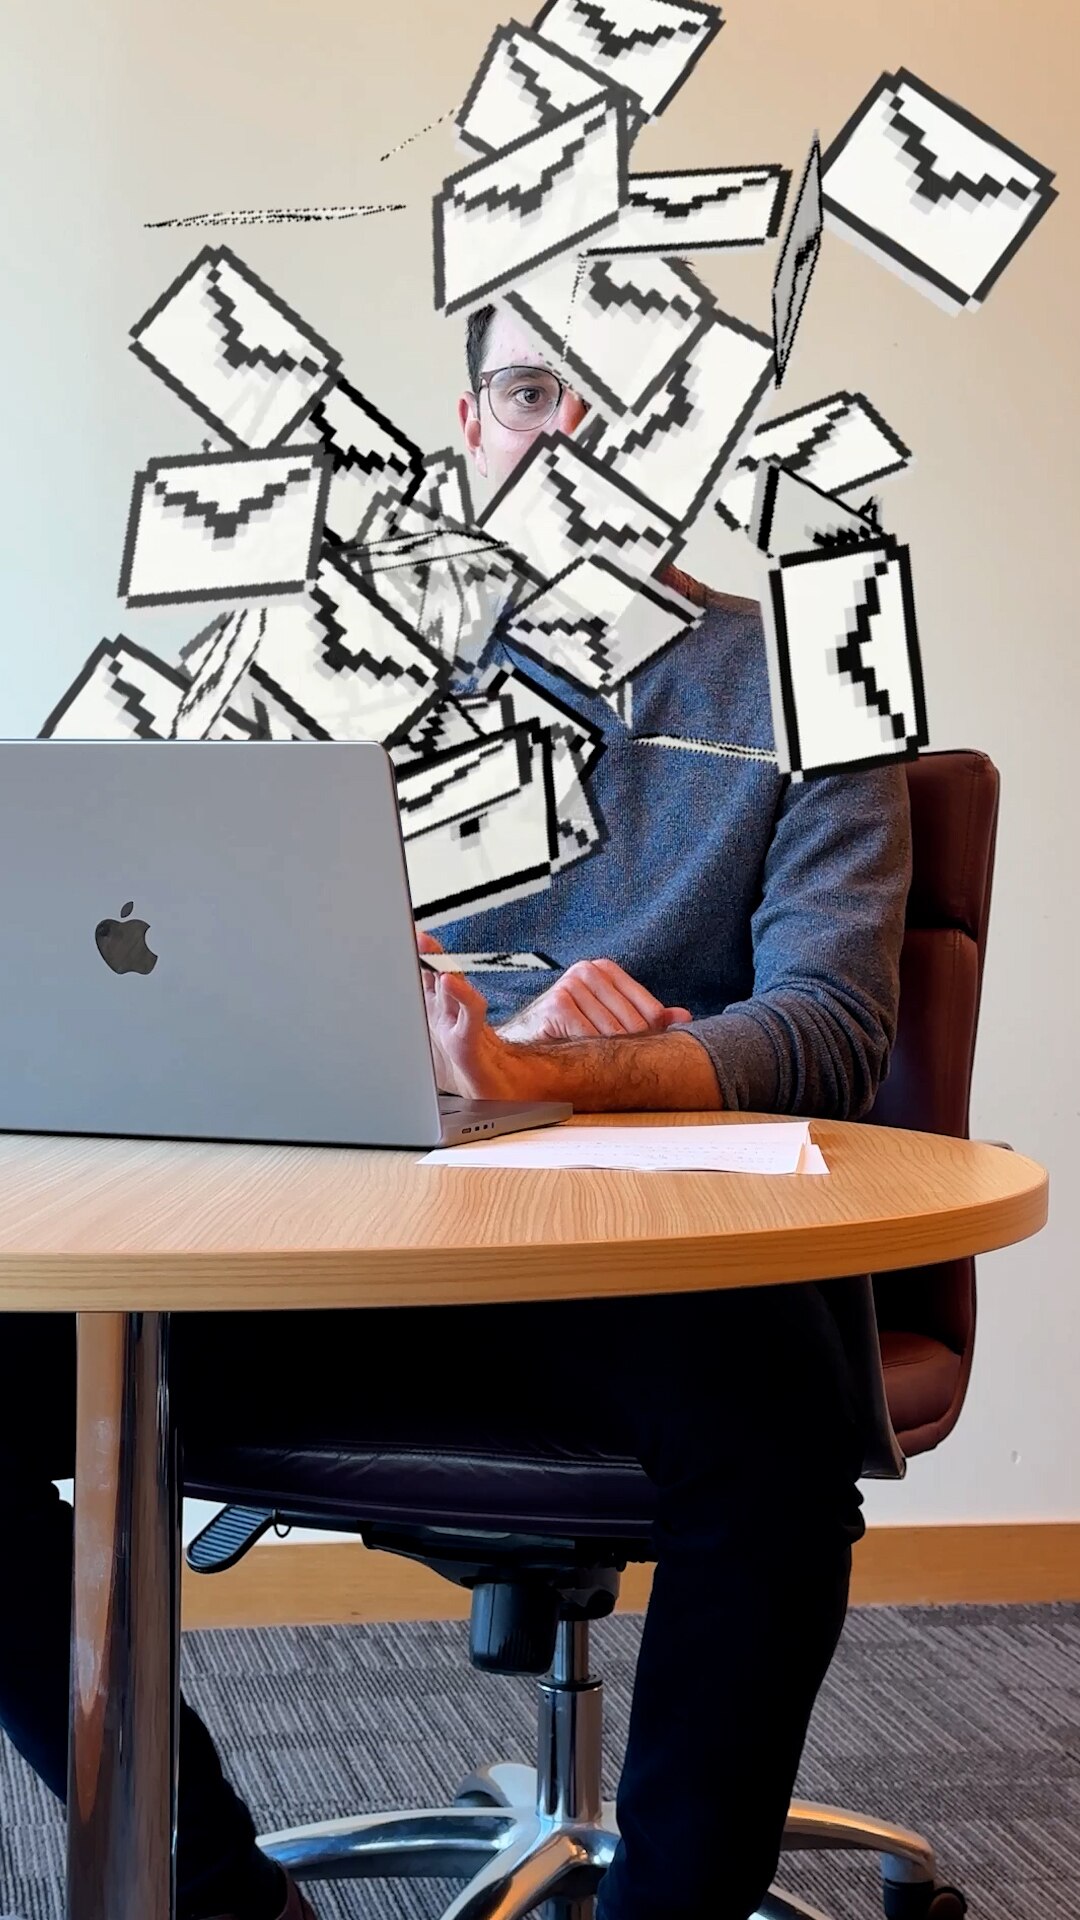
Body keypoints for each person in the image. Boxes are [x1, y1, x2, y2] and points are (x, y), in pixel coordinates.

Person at [0, 305, 911, 1920]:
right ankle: (211, 1892)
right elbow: (168, 963)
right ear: (470, 422)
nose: (568, 431)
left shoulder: (817, 677)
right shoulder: (318, 664)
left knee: (774, 1425)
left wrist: (551, 1072)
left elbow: (830, 1030)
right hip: (330, 1249)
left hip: (633, 1260)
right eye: (528, 390)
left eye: (626, 393)